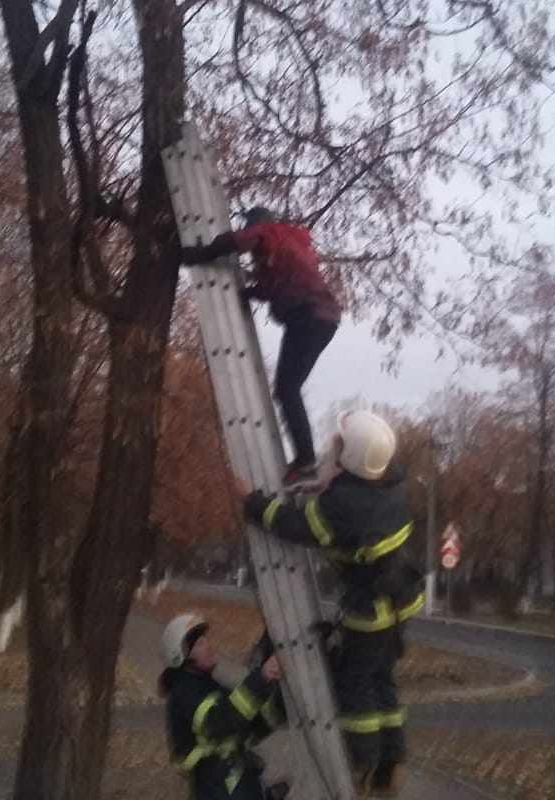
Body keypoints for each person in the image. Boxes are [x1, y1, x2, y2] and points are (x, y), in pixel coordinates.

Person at [241, 410, 423, 798]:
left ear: (352, 458)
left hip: (369, 610)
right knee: (381, 679)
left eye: (338, 447)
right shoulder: (390, 486)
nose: (332, 449)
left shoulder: (343, 504)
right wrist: (320, 490)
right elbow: (354, 515)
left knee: (355, 685)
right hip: (401, 602)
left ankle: (361, 763)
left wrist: (257, 506)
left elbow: (299, 527)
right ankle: (389, 767)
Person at [180, 207, 341, 484]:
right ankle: (305, 461)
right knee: (290, 388)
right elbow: (275, 285)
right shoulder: (291, 244)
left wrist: (200, 254)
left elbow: (235, 241)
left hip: (308, 316)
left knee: (286, 389)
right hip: (326, 320)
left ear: (258, 224)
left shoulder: (268, 232)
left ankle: (305, 461)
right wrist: (249, 293)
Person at [159, 612, 289, 800]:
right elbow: (221, 722)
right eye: (200, 644)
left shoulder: (209, 687)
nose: (209, 647)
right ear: (181, 656)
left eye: (206, 640)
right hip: (217, 787)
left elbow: (251, 726)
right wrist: (262, 677)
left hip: (235, 782)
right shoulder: (184, 693)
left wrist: (280, 701)